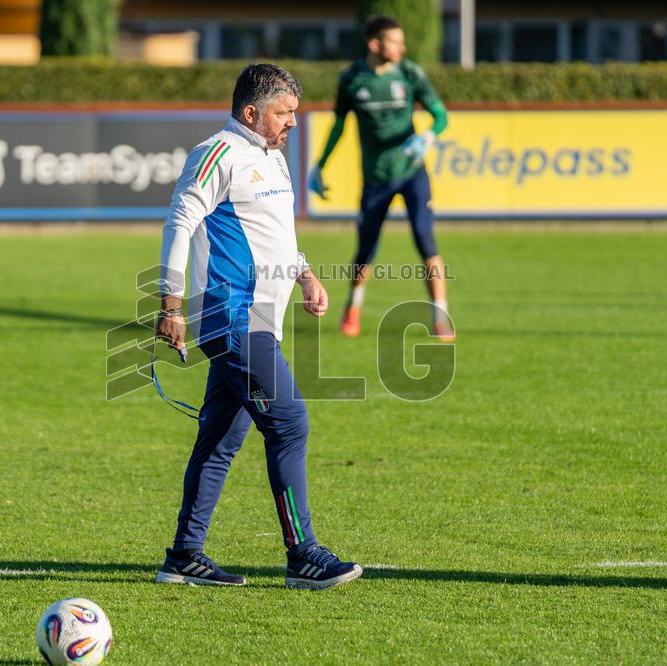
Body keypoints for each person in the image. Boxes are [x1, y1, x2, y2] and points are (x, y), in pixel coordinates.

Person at [154, 63, 363, 591]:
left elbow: (275, 235)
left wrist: (306, 273)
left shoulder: (273, 158)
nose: (293, 122)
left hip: (260, 319)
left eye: (295, 112)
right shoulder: (216, 154)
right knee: (289, 421)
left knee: (222, 436)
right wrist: (170, 304)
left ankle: (184, 556)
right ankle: (304, 555)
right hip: (229, 315)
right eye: (283, 113)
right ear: (251, 112)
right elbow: (180, 222)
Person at [308, 14, 455, 342]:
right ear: (375, 44)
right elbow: (338, 124)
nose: (402, 48)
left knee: (425, 239)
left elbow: (441, 114)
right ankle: (353, 307)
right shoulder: (352, 79)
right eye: (396, 42)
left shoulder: (410, 73)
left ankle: (440, 317)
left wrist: (428, 136)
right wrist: (320, 166)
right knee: (366, 249)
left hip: (412, 173)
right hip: (376, 178)